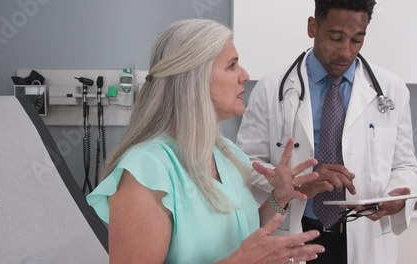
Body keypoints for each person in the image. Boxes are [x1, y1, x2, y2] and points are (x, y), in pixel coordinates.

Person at [86, 19, 326, 264]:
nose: (245, 75)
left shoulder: (228, 155)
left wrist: (280, 197)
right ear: (194, 78)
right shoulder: (146, 173)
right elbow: (242, 256)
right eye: (232, 66)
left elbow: (241, 234)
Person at [236, 1, 417, 264]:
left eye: (357, 40)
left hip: (364, 235)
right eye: (336, 38)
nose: (346, 52)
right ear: (313, 27)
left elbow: (405, 165)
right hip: (296, 232)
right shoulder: (271, 88)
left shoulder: (392, 90)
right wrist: (297, 182)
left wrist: (398, 197)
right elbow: (245, 164)